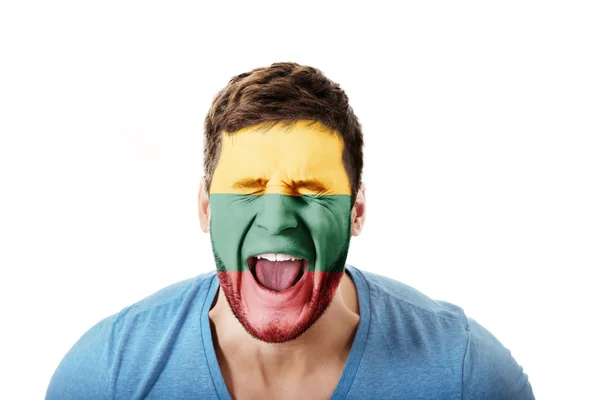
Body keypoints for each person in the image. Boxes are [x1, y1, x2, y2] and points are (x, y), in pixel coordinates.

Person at [46, 62, 535, 399]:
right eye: (249, 188)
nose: (277, 219)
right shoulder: (105, 377)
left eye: (312, 189)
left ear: (356, 211)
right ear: (205, 208)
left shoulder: (466, 376)